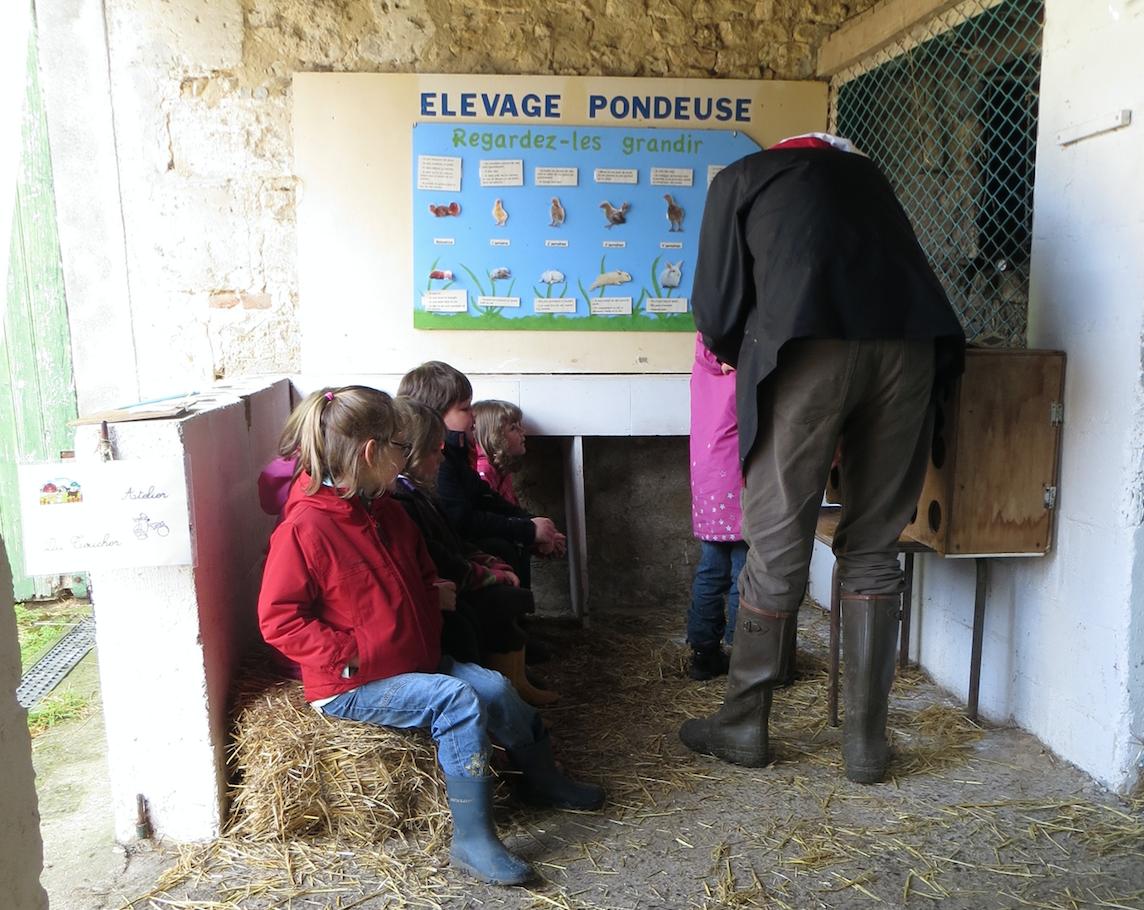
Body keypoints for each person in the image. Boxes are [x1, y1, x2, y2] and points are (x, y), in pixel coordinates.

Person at [680, 133, 966, 784]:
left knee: (776, 542)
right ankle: (866, 744)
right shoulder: (869, 177)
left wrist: (751, 359)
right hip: (911, 344)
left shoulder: (743, 177)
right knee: (874, 545)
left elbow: (716, 312)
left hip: (804, 343)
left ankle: (744, 724)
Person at [257, 386, 603, 885]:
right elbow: (279, 620)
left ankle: (541, 778)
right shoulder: (304, 529)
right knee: (456, 700)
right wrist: (351, 654)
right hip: (353, 683)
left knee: (496, 688)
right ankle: (473, 840)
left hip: (410, 661)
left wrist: (426, 606)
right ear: (372, 452)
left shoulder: (389, 512)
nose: (408, 458)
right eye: (401, 447)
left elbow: (422, 576)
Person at [392, 396, 558, 706]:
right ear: (414, 454)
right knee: (471, 616)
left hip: (454, 575)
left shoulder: (421, 492)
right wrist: (487, 575)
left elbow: (453, 540)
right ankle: (492, 693)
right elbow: (439, 555)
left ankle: (514, 680)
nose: (441, 458)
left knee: (504, 581)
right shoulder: (404, 501)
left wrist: (490, 562)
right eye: (435, 451)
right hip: (443, 584)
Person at [398, 362, 565, 594]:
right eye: (465, 408)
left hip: (457, 550)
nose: (474, 413)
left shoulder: (455, 453)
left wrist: (533, 525)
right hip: (447, 560)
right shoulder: (438, 462)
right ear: (434, 415)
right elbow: (461, 520)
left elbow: (486, 498)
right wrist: (526, 530)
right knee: (499, 547)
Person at [685, 333, 748, 681]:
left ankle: (703, 653)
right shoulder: (743, 366)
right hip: (739, 477)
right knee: (744, 571)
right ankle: (744, 651)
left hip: (707, 479)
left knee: (711, 568)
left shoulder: (700, 367)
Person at [473, 399, 526, 506]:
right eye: (513, 428)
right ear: (496, 437)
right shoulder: (483, 472)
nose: (523, 431)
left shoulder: (499, 464)